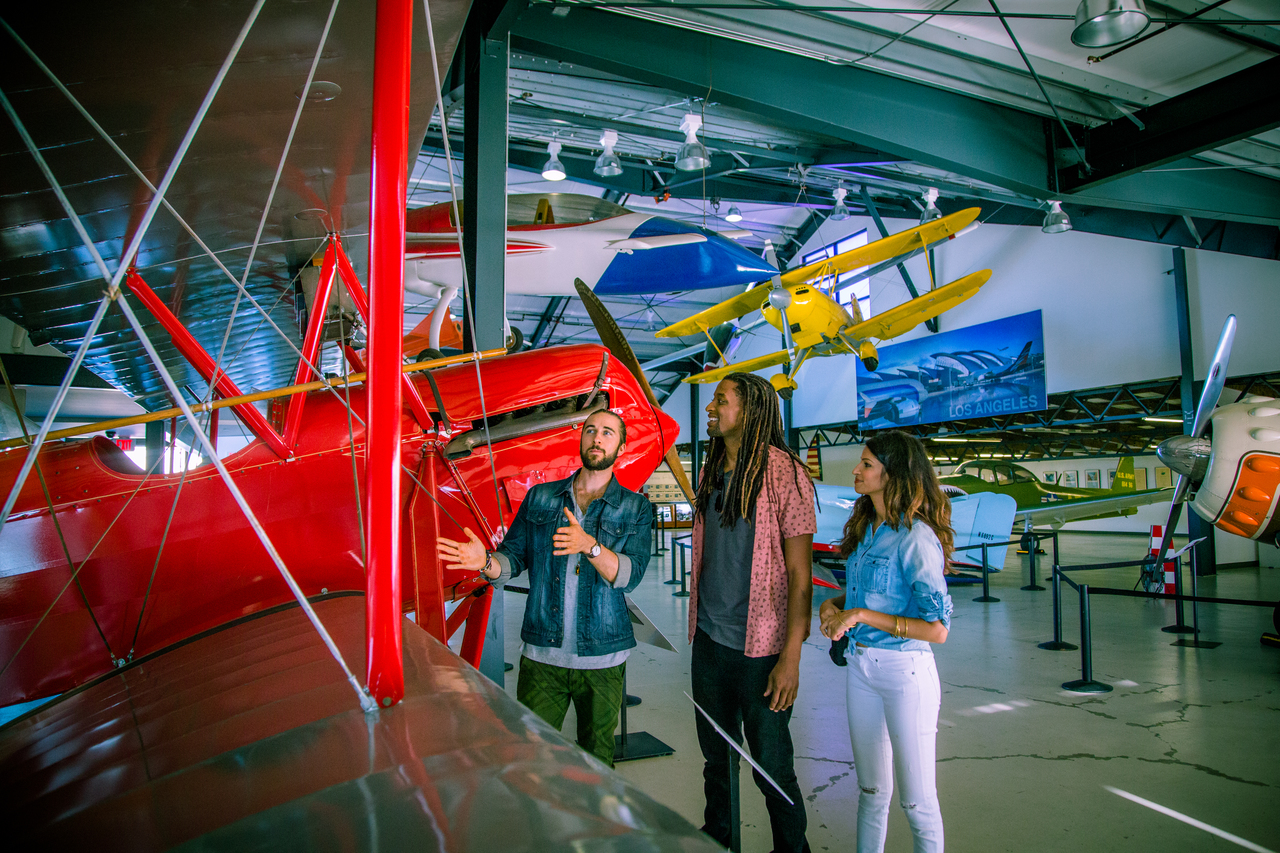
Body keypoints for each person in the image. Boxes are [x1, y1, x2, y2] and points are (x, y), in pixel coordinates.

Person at [437, 409, 652, 768]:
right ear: (581, 438)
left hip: (602, 657)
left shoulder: (636, 507)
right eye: (591, 430)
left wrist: (590, 546)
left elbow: (631, 574)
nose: (597, 438)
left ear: (622, 447)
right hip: (542, 656)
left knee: (598, 762)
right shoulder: (540, 497)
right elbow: (513, 558)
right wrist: (485, 562)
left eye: (608, 433)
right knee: (533, 760)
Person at [688, 372, 815, 853]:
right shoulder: (712, 469)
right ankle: (719, 837)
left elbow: (801, 577)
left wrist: (791, 658)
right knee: (715, 760)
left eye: (721, 400)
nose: (710, 408)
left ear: (751, 410)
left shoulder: (786, 473)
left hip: (762, 650)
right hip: (710, 641)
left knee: (772, 766)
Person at [818, 431, 954, 853]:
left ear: (893, 474)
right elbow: (866, 595)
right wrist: (834, 606)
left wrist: (859, 615)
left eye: (867, 464)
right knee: (872, 792)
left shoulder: (916, 538)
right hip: (861, 669)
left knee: (917, 803)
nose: (856, 470)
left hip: (905, 675)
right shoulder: (868, 529)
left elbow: (938, 629)